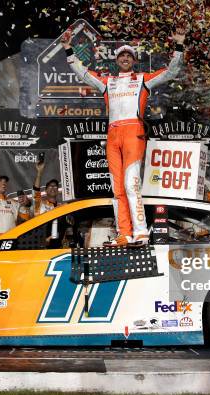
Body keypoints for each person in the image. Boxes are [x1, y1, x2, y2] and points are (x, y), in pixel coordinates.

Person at [61, 27, 186, 246]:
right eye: (122, 55)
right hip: (113, 134)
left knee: (131, 184)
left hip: (133, 132)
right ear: (117, 61)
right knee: (117, 189)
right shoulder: (107, 82)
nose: (125, 58)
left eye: (129, 55)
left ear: (134, 60)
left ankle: (141, 234)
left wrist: (179, 45)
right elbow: (82, 72)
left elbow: (170, 72)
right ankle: (124, 234)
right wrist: (68, 49)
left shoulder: (142, 79)